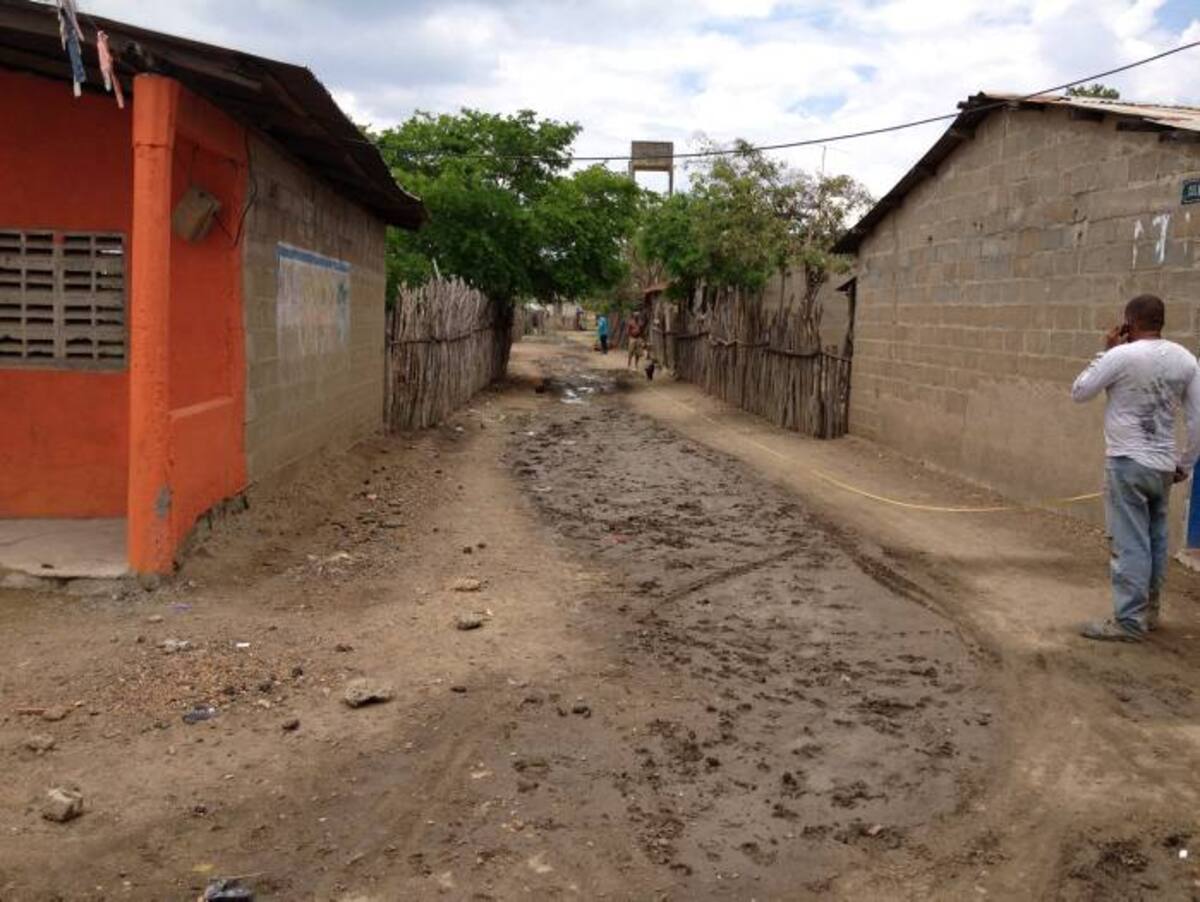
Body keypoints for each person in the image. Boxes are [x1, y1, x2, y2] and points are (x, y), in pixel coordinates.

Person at [1070, 294, 1200, 641]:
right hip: (1162, 465)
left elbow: (1080, 391)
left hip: (1127, 461)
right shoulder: (1186, 360)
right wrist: (1184, 463)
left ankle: (1129, 622)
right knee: (1156, 541)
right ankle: (1150, 614)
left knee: (1129, 543)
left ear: (1130, 321)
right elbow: (1197, 418)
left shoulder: (1121, 356)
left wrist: (1107, 350)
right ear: (1161, 322)